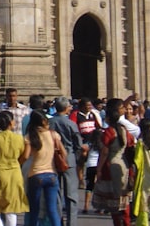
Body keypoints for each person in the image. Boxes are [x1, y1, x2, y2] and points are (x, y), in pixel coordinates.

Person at [91, 99, 135, 226]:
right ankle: (126, 221)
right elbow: (131, 145)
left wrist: (98, 169)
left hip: (110, 167)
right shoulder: (124, 130)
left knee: (114, 201)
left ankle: (118, 223)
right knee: (124, 199)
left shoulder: (109, 132)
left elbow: (104, 152)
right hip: (124, 165)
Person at [22, 111, 63, 226]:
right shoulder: (53, 134)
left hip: (35, 174)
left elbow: (25, 156)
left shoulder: (30, 136)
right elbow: (63, 153)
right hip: (51, 174)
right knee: (52, 210)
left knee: (34, 210)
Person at [47, 97, 83, 226]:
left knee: (56, 193)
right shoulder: (70, 124)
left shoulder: (49, 122)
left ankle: (58, 221)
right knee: (71, 194)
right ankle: (71, 223)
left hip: (53, 159)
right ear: (66, 108)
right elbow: (78, 144)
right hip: (69, 159)